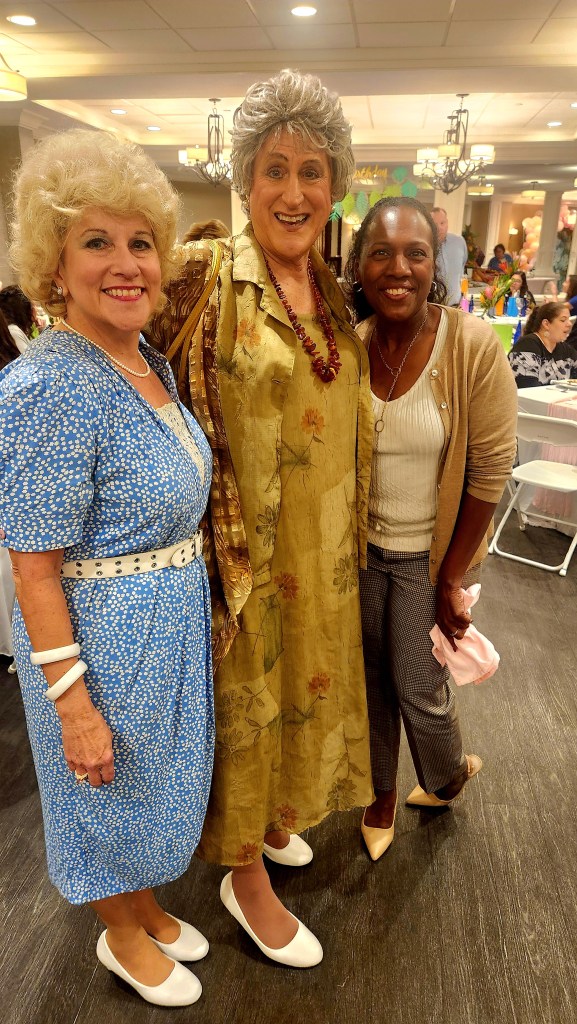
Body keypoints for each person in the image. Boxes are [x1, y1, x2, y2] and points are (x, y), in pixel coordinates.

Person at [149, 69, 373, 968]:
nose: (293, 191)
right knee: (247, 707)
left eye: (311, 171)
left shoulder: (332, 290)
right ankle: (244, 881)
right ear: (244, 179)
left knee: (302, 697)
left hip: (320, 555)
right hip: (237, 561)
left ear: (335, 184)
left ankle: (275, 818)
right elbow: (107, 352)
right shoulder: (198, 277)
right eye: (274, 169)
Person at [0, 129, 215, 1008]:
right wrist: (72, 705)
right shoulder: (50, 385)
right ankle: (119, 935)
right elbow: (32, 570)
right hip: (100, 641)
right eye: (97, 242)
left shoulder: (138, 357)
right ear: (54, 266)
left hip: (164, 625)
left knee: (147, 785)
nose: (127, 265)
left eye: (140, 242)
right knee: (103, 786)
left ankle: (143, 905)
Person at [344, 196, 517, 861]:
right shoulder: (351, 348)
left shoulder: (470, 345)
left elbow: (490, 467)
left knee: (418, 682)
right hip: (361, 554)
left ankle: (445, 776)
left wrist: (452, 577)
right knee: (370, 680)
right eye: (381, 253)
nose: (398, 268)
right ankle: (380, 795)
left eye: (415, 254)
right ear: (359, 266)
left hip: (428, 557)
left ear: (433, 265)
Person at [508, 301, 576, 387]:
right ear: (546, 324)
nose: (569, 324)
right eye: (563, 320)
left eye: (569, 319)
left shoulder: (566, 350)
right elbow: (526, 388)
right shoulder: (527, 346)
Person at [430, 207, 468, 306]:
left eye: (442, 223)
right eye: (435, 224)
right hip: (432, 306)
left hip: (456, 305)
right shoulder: (424, 245)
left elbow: (462, 268)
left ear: (447, 223)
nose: (439, 228)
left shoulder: (459, 242)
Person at [0, 284, 37, 353]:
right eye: (32, 306)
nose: (34, 309)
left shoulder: (12, 330)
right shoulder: (13, 331)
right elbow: (30, 357)